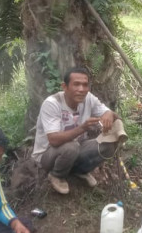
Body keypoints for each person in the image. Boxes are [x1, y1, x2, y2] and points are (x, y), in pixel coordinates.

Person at [31, 67, 126, 195]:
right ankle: (57, 175)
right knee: (71, 146)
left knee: (108, 145)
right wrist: (82, 128)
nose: (81, 89)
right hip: (47, 155)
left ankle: (79, 171)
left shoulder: (88, 98)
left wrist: (109, 113)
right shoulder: (52, 103)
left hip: (75, 148)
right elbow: (53, 140)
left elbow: (111, 113)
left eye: (85, 85)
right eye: (76, 84)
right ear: (65, 86)